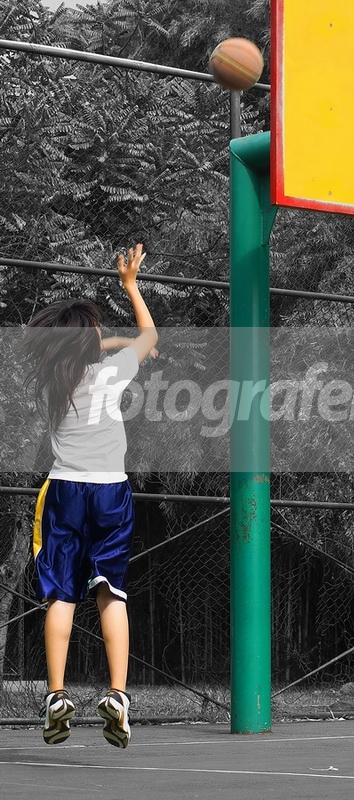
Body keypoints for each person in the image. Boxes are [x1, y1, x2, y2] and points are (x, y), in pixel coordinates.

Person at [22, 244, 157, 748]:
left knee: (61, 594)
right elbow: (149, 335)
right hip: (110, 492)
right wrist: (131, 286)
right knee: (111, 593)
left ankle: (56, 695)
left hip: (64, 492)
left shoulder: (53, 381)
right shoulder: (110, 373)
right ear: (90, 342)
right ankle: (117, 695)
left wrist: (104, 338)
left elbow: (96, 345)